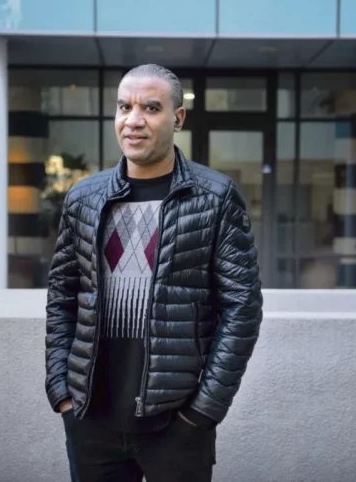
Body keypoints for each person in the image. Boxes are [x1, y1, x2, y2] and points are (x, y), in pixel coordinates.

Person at [45, 64, 263, 482]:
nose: (133, 120)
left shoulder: (215, 197)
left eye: (150, 107)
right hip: (91, 421)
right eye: (124, 107)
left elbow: (242, 309)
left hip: (177, 426)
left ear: (177, 118)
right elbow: (62, 296)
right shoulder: (83, 198)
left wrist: (203, 412)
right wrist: (62, 394)